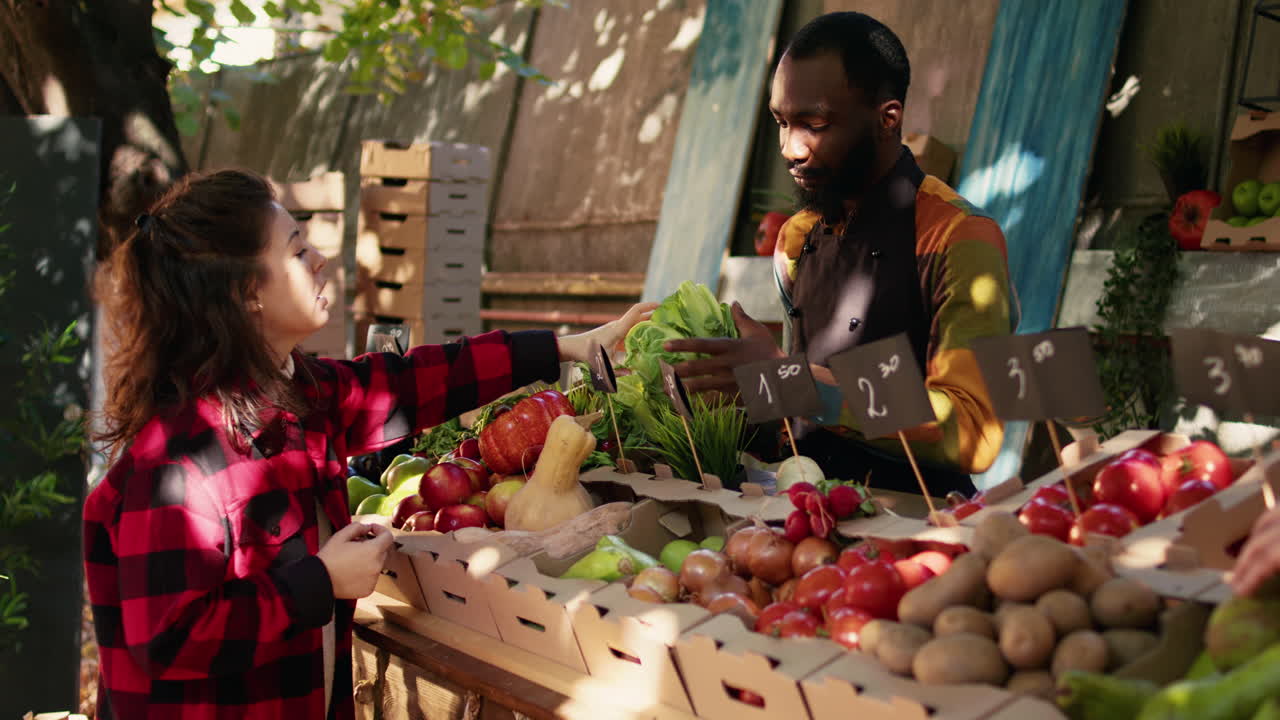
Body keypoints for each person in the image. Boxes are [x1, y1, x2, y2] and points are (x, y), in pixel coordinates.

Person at [83, 168, 654, 720]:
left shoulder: (296, 394)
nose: (320, 260)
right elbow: (168, 639)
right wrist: (320, 582)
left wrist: (570, 347)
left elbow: (412, 381)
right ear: (246, 292)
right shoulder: (176, 464)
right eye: (297, 250)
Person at [668, 12, 1014, 496]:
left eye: (813, 123)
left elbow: (972, 430)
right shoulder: (795, 240)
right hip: (803, 511)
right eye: (780, 122)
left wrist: (789, 381)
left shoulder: (959, 237)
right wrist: (722, 393)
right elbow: (797, 414)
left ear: (887, 118)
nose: (790, 148)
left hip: (916, 524)